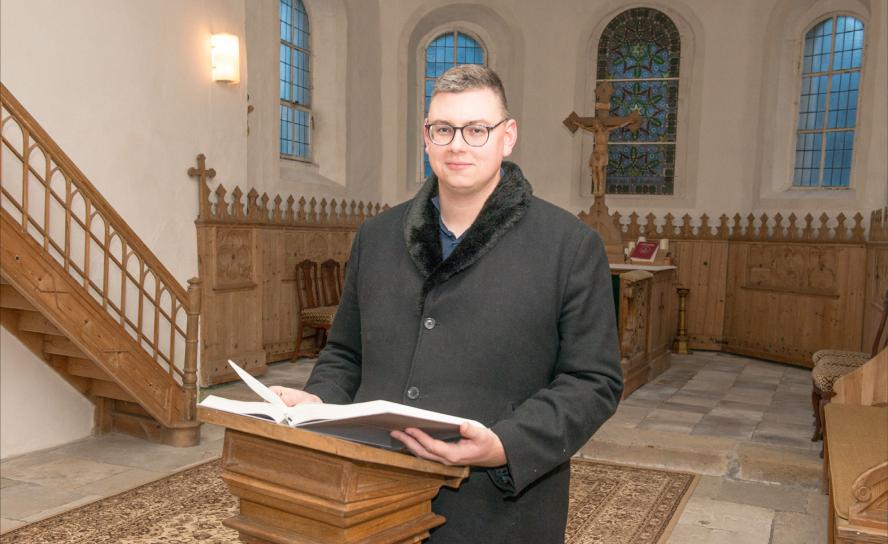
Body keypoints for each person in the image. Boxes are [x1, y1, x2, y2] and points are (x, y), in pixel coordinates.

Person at [270, 64, 623, 543]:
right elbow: (345, 353)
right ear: (427, 137)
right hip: (378, 494)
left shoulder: (569, 245)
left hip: (499, 509)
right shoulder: (377, 237)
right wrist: (319, 399)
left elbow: (593, 381)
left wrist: (506, 444)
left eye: (477, 129)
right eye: (444, 129)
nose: (458, 144)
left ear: (508, 136)